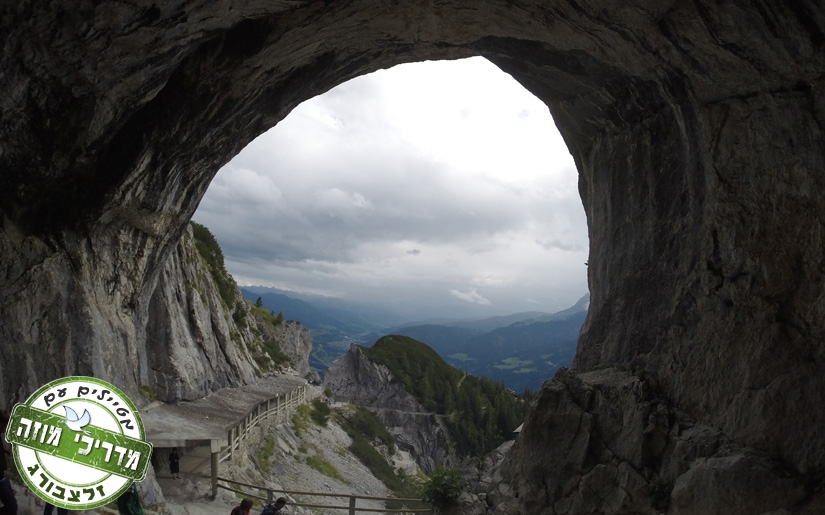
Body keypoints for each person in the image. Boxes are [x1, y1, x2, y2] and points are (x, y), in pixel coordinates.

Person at [0, 411, 17, 515]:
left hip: (2, 477)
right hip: (1, 477)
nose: (5, 429)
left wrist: (6, 451)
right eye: (4, 426)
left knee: (13, 507)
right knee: (12, 508)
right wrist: (5, 474)